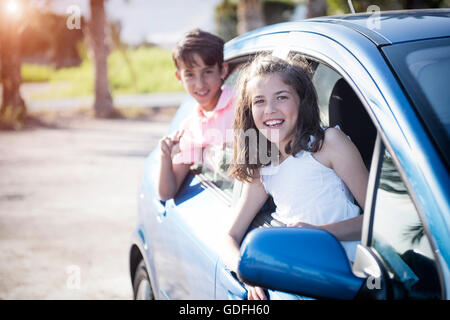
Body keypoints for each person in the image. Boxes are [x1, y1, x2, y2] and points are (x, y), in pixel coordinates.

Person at [223, 54, 369, 300]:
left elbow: (379, 222)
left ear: (302, 101)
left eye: (281, 97)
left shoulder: (328, 143)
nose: (270, 110)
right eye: (259, 101)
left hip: (347, 279)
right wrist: (246, 272)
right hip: (293, 280)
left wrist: (319, 233)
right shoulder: (264, 166)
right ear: (249, 110)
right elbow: (229, 236)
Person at [157, 29, 234, 201]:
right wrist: (165, 156)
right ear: (179, 77)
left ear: (222, 70)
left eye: (207, 72)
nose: (200, 84)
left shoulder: (241, 106)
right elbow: (166, 193)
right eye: (190, 74)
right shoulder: (191, 128)